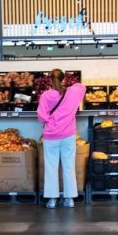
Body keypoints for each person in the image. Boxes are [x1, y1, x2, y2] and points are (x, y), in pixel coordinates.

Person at [37, 69, 86, 208]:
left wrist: (49, 121)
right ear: (63, 79)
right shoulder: (72, 92)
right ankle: (69, 199)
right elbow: (82, 86)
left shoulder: (45, 95)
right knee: (69, 167)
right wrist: (68, 84)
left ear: (49, 81)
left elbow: (41, 117)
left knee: (51, 167)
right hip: (68, 135)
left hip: (50, 136)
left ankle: (52, 200)